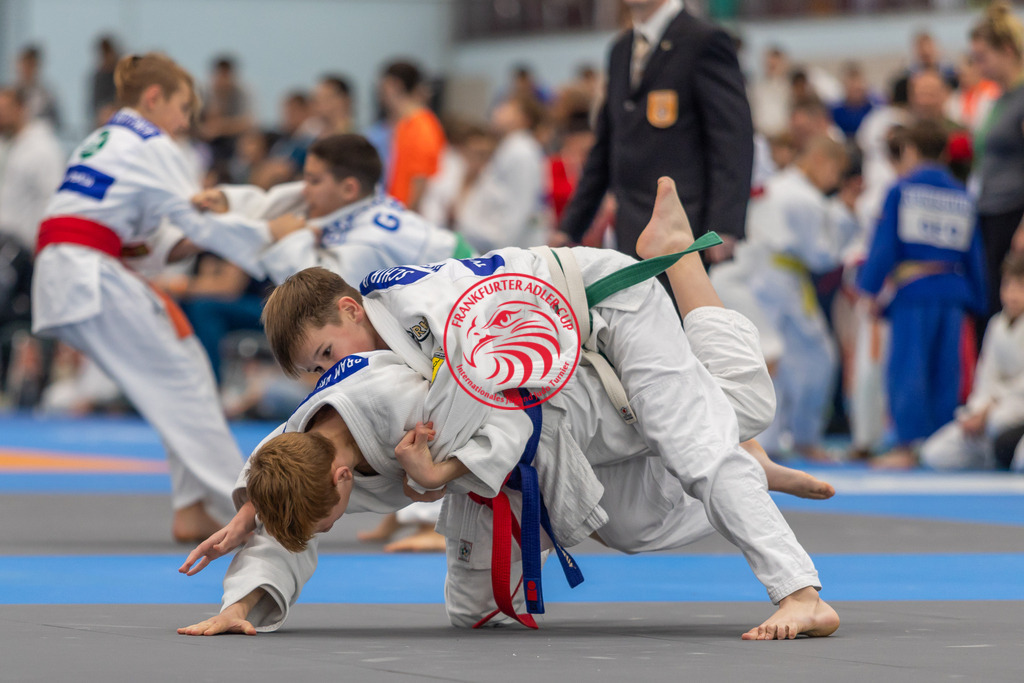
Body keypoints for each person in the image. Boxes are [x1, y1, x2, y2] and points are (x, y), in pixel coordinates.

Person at [180, 178, 837, 641]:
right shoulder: (356, 391)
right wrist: (252, 511)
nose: (329, 373)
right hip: (540, 381)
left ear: (352, 311)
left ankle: (801, 592)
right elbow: (290, 459)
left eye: (326, 353)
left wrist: (439, 476)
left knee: (705, 437)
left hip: (596, 309)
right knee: (646, 505)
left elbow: (503, 404)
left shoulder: (430, 321)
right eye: (316, 371)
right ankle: (741, 451)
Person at [30, 53, 281, 541]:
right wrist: (274, 246)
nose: (186, 121)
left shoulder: (102, 140)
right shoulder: (151, 142)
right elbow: (197, 217)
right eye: (183, 107)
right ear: (153, 98)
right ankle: (248, 507)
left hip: (73, 266)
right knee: (182, 378)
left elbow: (155, 240)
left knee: (182, 366)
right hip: (88, 272)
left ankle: (193, 509)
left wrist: (209, 234)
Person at [557, 0, 753, 262]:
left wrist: (724, 225)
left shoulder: (703, 40)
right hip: (630, 227)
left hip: (683, 225)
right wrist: (570, 226)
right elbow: (606, 146)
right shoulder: (621, 50)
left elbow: (731, 139)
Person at [713, 136, 859, 460]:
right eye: (837, 173)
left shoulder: (779, 187)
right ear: (822, 160)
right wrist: (846, 215)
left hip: (759, 279)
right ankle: (801, 439)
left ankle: (769, 442)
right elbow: (822, 254)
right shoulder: (805, 198)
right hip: (778, 282)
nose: (835, 182)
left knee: (771, 360)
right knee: (813, 359)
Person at [857, 119, 987, 469]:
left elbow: (884, 246)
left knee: (907, 368)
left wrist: (868, 288)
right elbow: (974, 252)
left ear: (911, 151)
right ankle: (941, 444)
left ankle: (907, 444)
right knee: (947, 370)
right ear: (945, 153)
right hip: (953, 292)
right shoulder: (962, 194)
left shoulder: (902, 189)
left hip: (914, 292)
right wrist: (980, 297)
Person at [194, 133, 472, 286]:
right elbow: (277, 204)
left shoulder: (371, 240)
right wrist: (226, 202)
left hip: (465, 284)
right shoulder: (353, 200)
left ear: (348, 188)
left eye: (313, 180)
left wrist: (290, 239)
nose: (304, 188)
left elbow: (323, 296)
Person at [921, 252, 1024, 471]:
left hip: (1013, 412)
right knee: (934, 454)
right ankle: (992, 456)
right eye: (1008, 286)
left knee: (1016, 452)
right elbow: (985, 376)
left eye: (1020, 287)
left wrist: (990, 410)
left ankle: (1003, 452)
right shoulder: (996, 325)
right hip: (991, 414)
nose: (1013, 294)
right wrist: (978, 410)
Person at [969, 2, 1024, 334]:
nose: (977, 65)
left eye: (982, 56)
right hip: (990, 211)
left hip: (1013, 214)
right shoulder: (997, 98)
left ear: (1006, 50)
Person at [454, 94, 549, 252]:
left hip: (508, 249)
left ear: (523, 118)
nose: (497, 111)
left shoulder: (521, 151)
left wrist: (502, 254)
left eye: (506, 108)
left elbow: (519, 209)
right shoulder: (510, 147)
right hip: (488, 243)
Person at [0, 87, 65, 253]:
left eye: (5, 110)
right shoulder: (5, 144)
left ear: (21, 109)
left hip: (26, 248)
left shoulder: (43, 148)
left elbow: (53, 200)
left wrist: (42, 245)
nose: (1, 116)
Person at [379, 61, 446, 212]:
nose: (380, 96)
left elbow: (421, 178)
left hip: (409, 213)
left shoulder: (422, 126)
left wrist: (408, 217)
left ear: (394, 85)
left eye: (383, 88)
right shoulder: (404, 125)